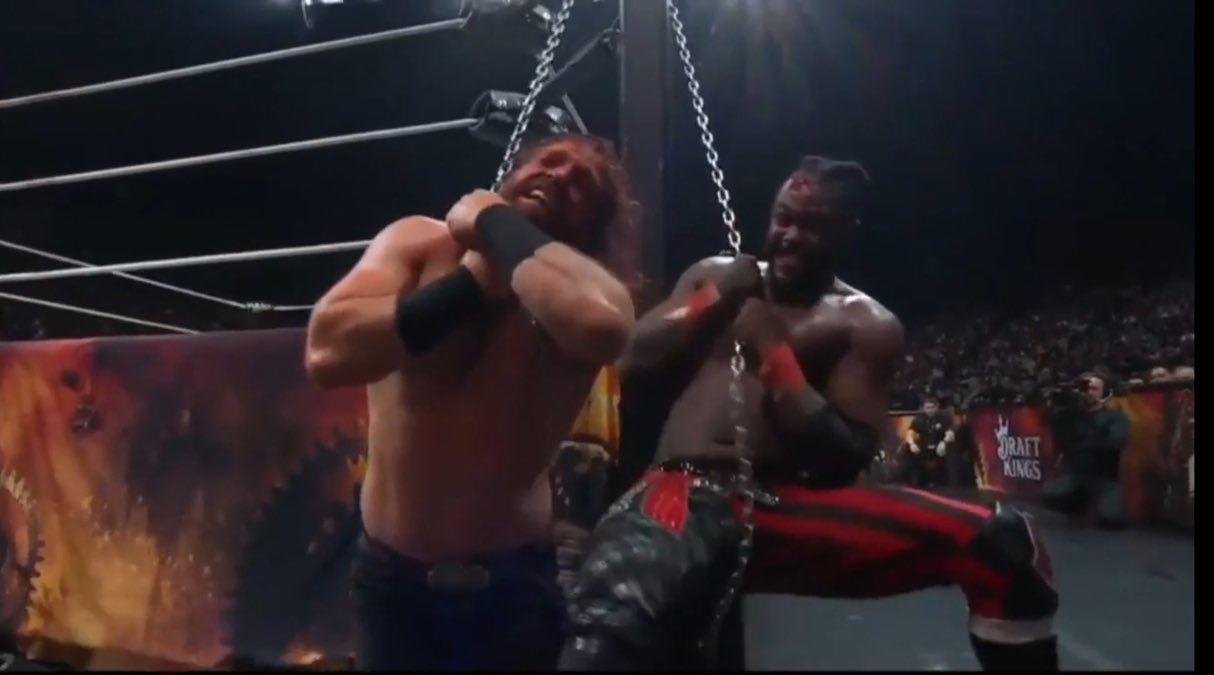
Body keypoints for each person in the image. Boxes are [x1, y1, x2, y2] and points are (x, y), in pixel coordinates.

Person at [560, 156, 1060, 671]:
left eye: (811, 225)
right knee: (613, 623)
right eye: (783, 218)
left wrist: (775, 355)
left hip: (776, 506)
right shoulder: (716, 275)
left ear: (846, 231)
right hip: (678, 491)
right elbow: (627, 356)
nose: (790, 235)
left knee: (1002, 543)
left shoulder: (863, 323)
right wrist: (712, 300)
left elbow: (843, 456)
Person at [304, 134, 637, 670]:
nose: (559, 176)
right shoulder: (420, 242)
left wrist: (492, 223)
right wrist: (469, 288)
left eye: (582, 185)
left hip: (512, 587)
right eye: (550, 161)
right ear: (515, 171)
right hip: (393, 587)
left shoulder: (581, 290)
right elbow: (329, 351)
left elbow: (603, 327)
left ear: (594, 224)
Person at [1041, 373, 1130, 528]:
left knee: (1112, 520)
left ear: (1104, 393)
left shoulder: (1115, 417)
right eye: (1084, 389)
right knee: (1048, 495)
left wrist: (1081, 442)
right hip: (1075, 476)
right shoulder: (1069, 416)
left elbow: (1116, 443)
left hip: (1104, 477)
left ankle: (1094, 506)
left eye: (1094, 389)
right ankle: (1078, 505)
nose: (1088, 392)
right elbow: (1061, 442)